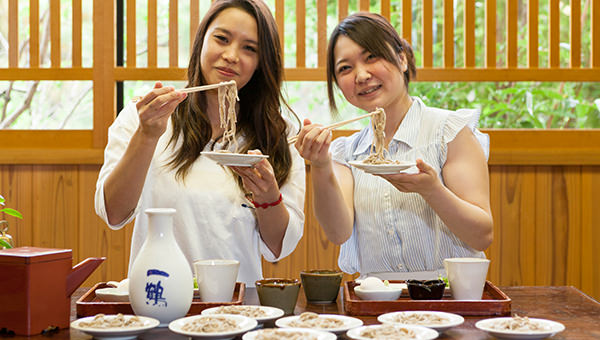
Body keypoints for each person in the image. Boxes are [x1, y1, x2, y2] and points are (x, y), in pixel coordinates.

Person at [95, 0, 305, 286]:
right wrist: (146, 135)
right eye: (222, 39)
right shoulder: (145, 114)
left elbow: (280, 246)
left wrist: (268, 194)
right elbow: (114, 213)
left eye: (250, 48)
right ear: (201, 41)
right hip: (158, 300)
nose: (231, 55)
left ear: (261, 63)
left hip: (238, 308)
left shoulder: (279, 133)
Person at [294, 12, 493, 280]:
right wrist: (319, 164)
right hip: (375, 296)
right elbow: (338, 232)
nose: (361, 75)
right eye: (345, 68)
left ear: (402, 59)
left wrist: (432, 190)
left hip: (451, 294)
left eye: (371, 57)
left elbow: (482, 235)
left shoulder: (449, 131)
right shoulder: (347, 153)